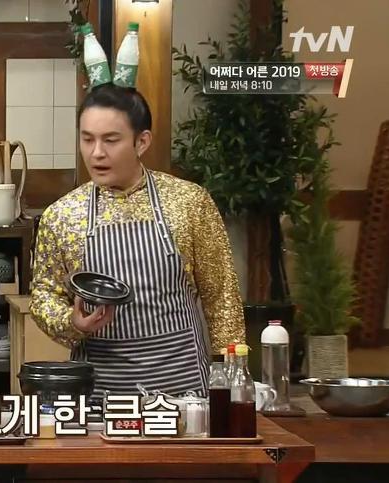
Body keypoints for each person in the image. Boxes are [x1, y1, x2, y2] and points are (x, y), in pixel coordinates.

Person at [30, 84, 246, 399]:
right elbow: (44, 296)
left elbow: (221, 293)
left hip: (181, 382)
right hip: (100, 387)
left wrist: (232, 379)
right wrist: (72, 322)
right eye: (87, 139)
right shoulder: (62, 215)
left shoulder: (189, 202)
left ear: (141, 141)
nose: (96, 153)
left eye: (111, 140)